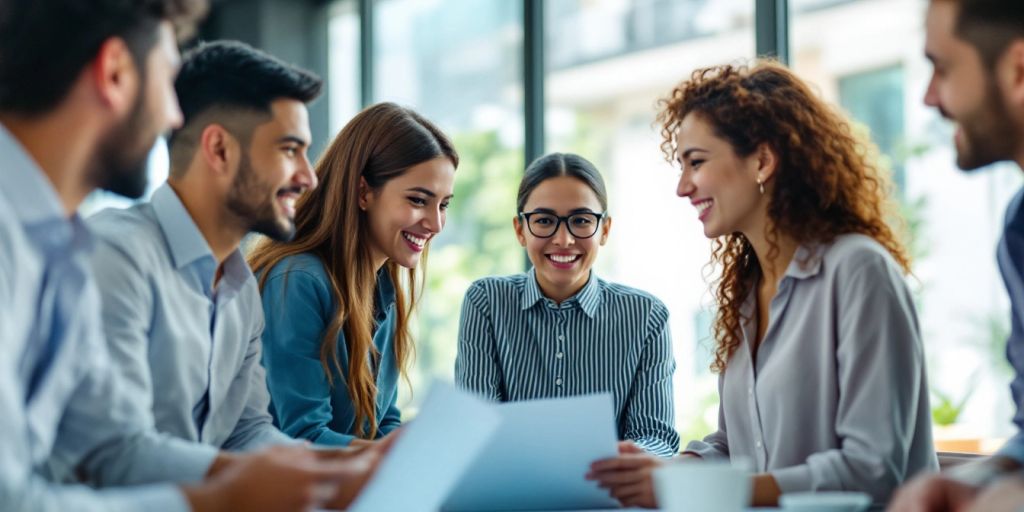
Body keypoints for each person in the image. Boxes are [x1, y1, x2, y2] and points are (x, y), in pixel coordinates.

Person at [0, 1, 374, 510]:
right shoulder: (98, 253)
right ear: (114, 72)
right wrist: (222, 499)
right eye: (166, 78)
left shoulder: (56, 247)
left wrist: (347, 466)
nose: (174, 118)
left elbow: (119, 445)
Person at [588, 61, 937, 508]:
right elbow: (737, 448)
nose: (682, 187)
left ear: (763, 160)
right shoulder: (745, 293)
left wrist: (701, 490)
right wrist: (664, 474)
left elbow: (870, 469)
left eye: (696, 162)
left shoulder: (858, 270)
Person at [248, 102, 458, 447]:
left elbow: (383, 420)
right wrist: (401, 454)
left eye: (444, 204)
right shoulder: (297, 281)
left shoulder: (381, 284)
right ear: (363, 192)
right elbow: (305, 436)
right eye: (419, 200)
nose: (436, 223)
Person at [889, 1, 1024, 511]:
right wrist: (981, 478)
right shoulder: (1019, 229)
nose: (928, 98)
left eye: (942, 67)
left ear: (1017, 69)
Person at [455, 152, 679, 457]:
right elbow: (472, 428)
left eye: (581, 221)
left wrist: (617, 464)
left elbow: (656, 437)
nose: (563, 239)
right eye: (544, 221)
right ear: (520, 230)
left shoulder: (647, 316)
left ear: (605, 230)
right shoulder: (486, 303)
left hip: (608, 494)